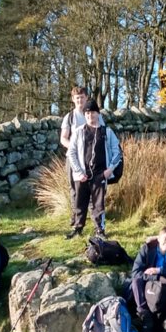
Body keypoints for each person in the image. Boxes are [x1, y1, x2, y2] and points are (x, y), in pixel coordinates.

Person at [66, 98, 121, 239]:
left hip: (100, 174)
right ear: (85, 115)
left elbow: (117, 152)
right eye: (88, 113)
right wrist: (78, 172)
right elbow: (71, 152)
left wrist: (110, 170)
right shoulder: (78, 132)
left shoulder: (107, 132)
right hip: (82, 175)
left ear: (98, 114)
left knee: (98, 204)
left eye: (93, 113)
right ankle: (78, 228)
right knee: (80, 202)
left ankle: (100, 230)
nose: (91, 116)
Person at [59, 86, 99, 233]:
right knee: (74, 189)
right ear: (73, 99)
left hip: (93, 158)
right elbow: (63, 138)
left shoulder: (95, 114)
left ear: (86, 97)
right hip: (73, 159)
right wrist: (75, 149)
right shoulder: (69, 117)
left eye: (82, 97)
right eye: (77, 98)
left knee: (94, 189)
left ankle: (96, 221)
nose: (80, 100)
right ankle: (76, 219)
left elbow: (101, 134)